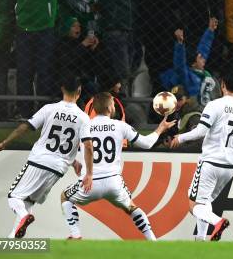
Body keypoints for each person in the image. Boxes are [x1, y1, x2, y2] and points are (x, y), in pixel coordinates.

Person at [0, 76, 93, 239]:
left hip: (39, 160)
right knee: (27, 202)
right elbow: (87, 146)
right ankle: (12, 241)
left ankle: (23, 217)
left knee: (14, 197)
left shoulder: (49, 109)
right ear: (79, 91)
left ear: (62, 88)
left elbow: (26, 127)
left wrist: (4, 142)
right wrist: (78, 165)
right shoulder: (83, 118)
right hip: (58, 168)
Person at [60, 92, 176, 240]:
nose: (114, 107)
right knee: (131, 207)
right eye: (113, 105)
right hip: (114, 182)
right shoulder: (120, 126)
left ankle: (76, 234)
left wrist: (74, 163)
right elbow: (147, 144)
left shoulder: (84, 126)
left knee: (65, 197)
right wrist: (160, 129)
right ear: (109, 108)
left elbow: (65, 149)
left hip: (89, 183)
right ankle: (152, 239)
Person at [169, 69, 233, 241]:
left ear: (222, 85)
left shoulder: (215, 105)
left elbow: (201, 131)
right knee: (205, 201)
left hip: (210, 162)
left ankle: (217, 221)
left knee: (194, 205)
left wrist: (180, 137)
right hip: (229, 167)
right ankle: (201, 240)